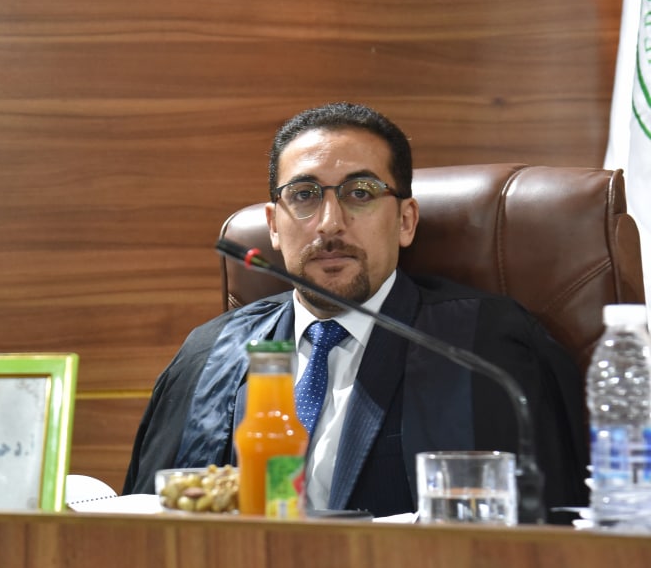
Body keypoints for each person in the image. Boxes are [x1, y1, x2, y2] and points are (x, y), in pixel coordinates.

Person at [122, 102, 588, 520]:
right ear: (274, 226)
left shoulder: (485, 348)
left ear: (405, 220)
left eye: (360, 193)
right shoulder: (210, 353)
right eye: (304, 195)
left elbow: (548, 534)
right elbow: (145, 526)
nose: (330, 224)